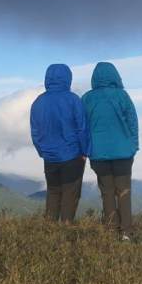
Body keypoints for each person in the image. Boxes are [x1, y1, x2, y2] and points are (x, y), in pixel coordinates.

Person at [82, 62, 139, 240]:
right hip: (123, 152)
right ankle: (127, 233)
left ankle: (111, 230)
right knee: (124, 191)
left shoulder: (87, 98)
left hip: (98, 154)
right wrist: (133, 145)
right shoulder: (122, 96)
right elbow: (132, 122)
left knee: (107, 192)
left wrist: (86, 149)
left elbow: (82, 127)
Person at [30, 63, 89, 223]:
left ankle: (50, 233)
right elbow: (82, 129)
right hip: (72, 156)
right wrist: (84, 152)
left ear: (47, 79)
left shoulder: (38, 102)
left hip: (50, 158)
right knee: (70, 196)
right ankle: (65, 233)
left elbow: (35, 132)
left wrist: (43, 152)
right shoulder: (73, 100)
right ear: (68, 78)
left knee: (53, 193)